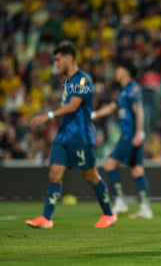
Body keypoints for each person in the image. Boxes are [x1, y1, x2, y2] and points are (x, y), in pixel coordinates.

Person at [26, 41, 117, 228]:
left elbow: (74, 105)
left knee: (90, 175)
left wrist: (48, 115)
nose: (56, 64)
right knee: (54, 174)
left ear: (69, 58)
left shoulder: (83, 80)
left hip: (80, 137)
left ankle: (109, 214)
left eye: (58, 60)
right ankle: (46, 218)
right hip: (63, 137)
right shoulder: (66, 81)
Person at [91, 59, 153, 219]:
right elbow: (112, 107)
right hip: (132, 134)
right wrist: (94, 114)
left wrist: (139, 132)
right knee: (137, 169)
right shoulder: (124, 91)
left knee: (109, 164)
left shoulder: (133, 89)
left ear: (125, 71)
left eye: (118, 68)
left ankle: (120, 201)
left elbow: (139, 111)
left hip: (130, 135)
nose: (116, 72)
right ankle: (145, 208)